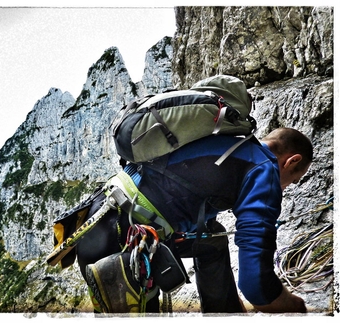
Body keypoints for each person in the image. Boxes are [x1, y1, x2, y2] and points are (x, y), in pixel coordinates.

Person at [76, 127, 312, 314]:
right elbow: (257, 288)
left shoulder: (233, 146)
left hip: (98, 220)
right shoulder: (264, 169)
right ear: (291, 161)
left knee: (214, 237)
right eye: (293, 179)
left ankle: (225, 312)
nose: (286, 186)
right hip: (128, 241)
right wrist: (297, 308)